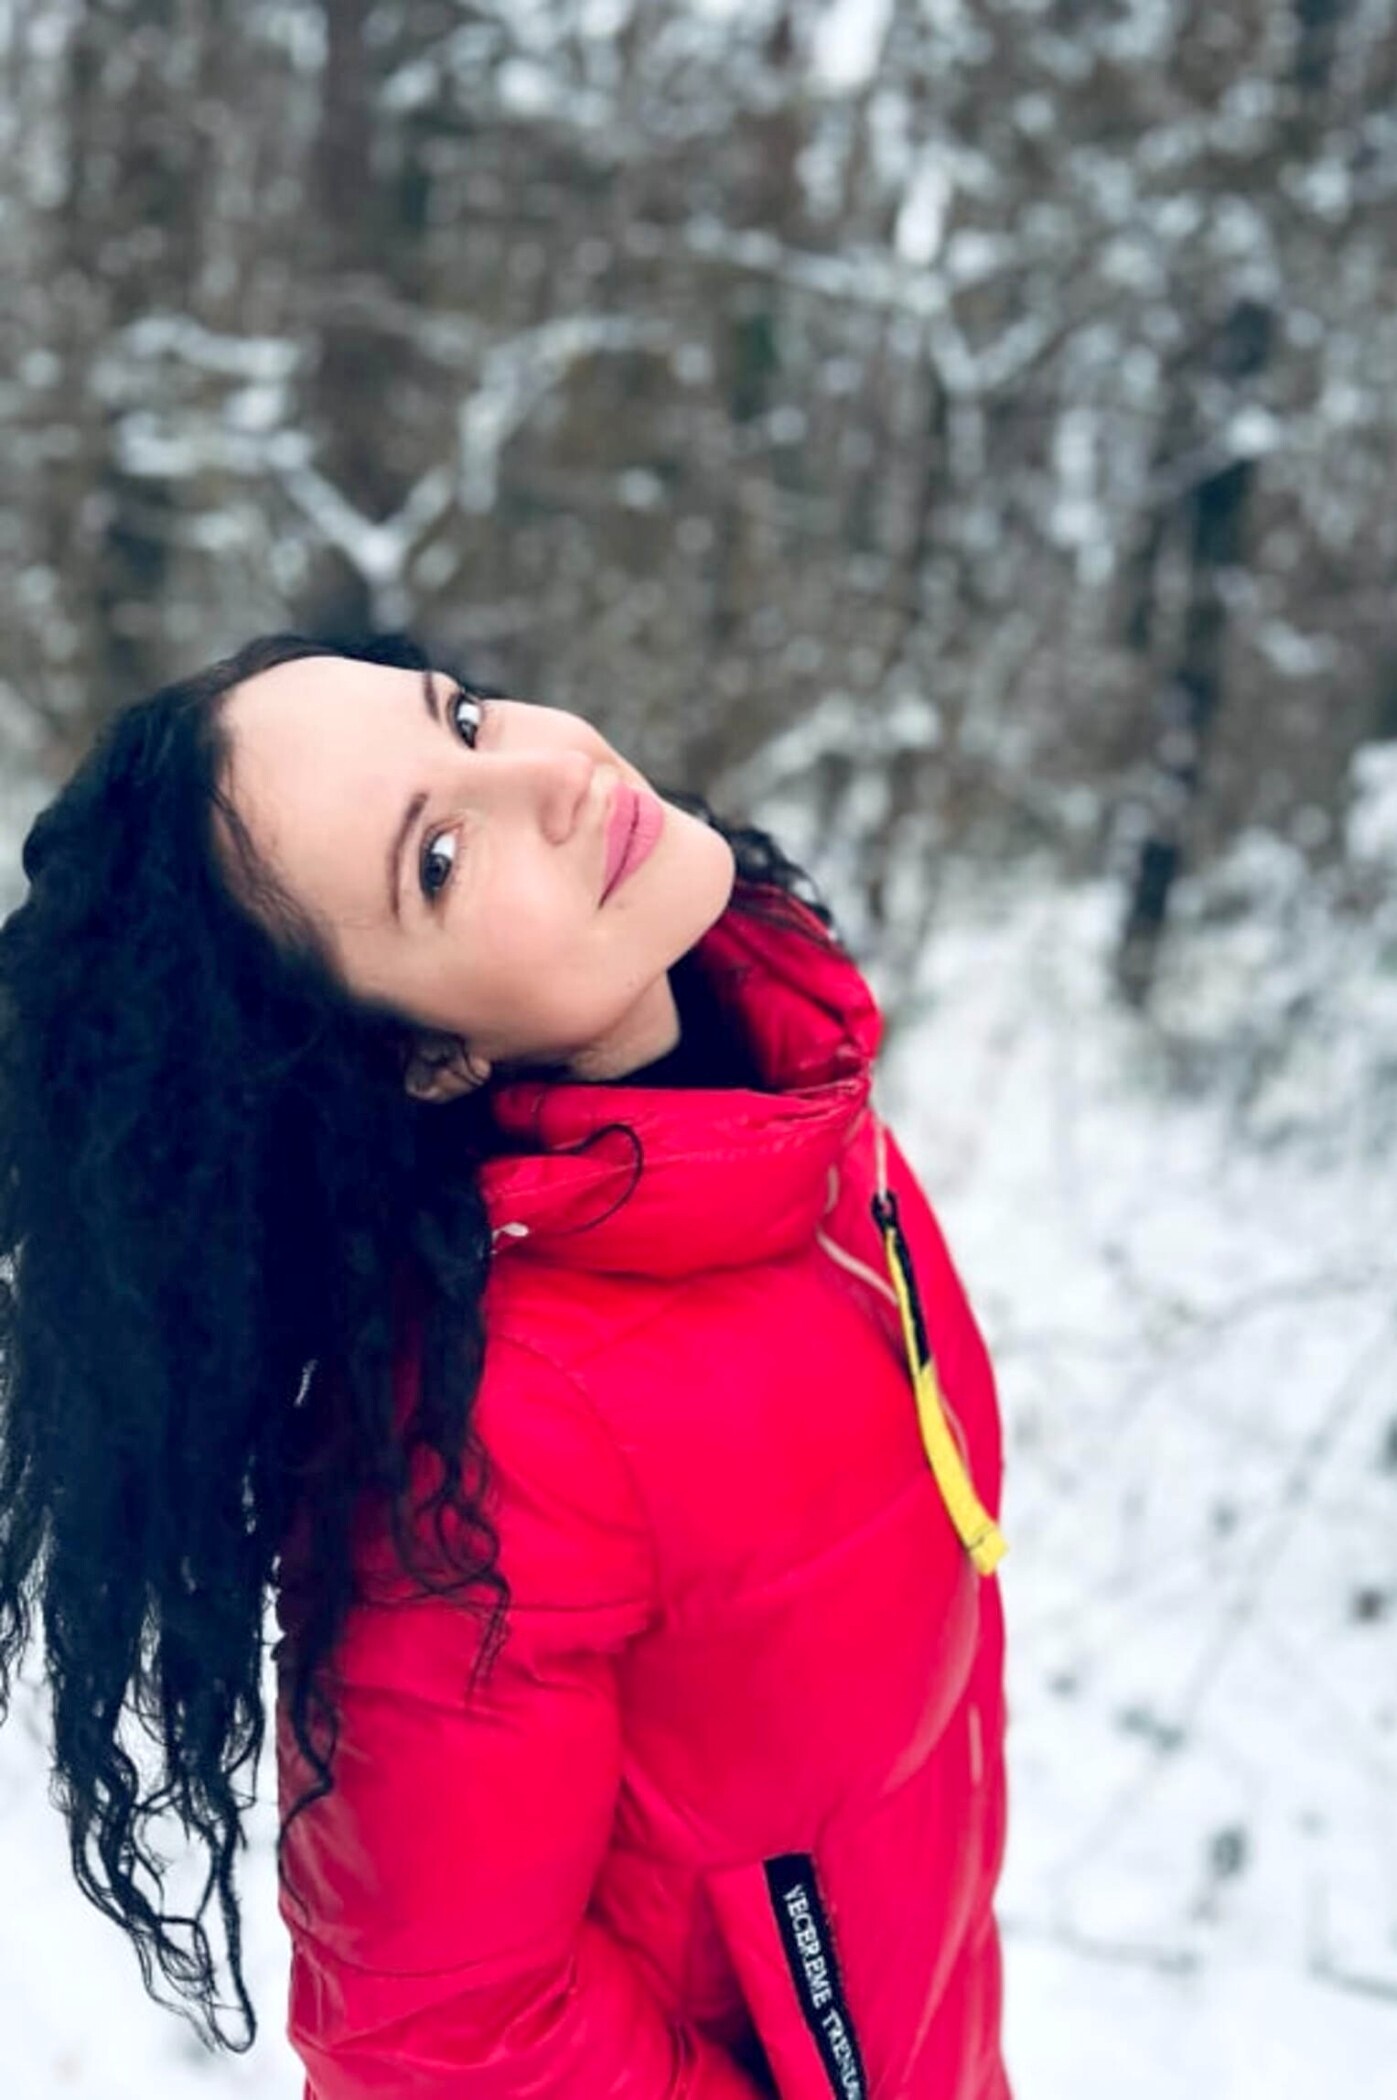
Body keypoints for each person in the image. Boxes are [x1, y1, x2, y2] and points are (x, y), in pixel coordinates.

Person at [0, 630, 1010, 2099]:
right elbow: (432, 2037)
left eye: (463, 719)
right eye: (437, 860)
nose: (553, 772)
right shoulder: (488, 1437)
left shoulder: (790, 1125)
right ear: (423, 1056)